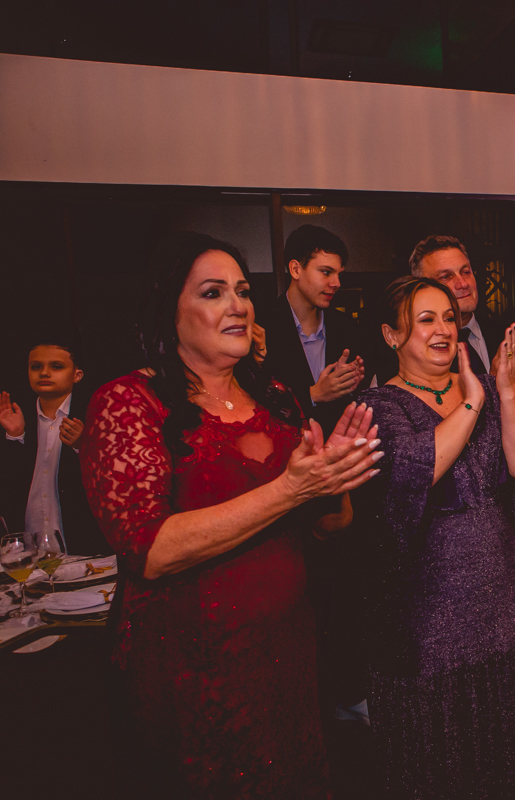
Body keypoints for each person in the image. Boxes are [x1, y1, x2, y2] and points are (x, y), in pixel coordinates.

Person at [81, 232, 381, 798]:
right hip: (189, 667)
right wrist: (290, 491)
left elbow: (329, 526)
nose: (238, 305)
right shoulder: (129, 402)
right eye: (213, 292)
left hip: (286, 653)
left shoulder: (276, 396)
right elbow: (150, 549)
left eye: (242, 291)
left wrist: (335, 476)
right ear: (169, 310)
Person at [353, 276, 515, 799]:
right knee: (445, 762)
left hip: (502, 604)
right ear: (391, 335)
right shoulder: (379, 407)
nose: (443, 329)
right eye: (426, 320)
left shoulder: (486, 387)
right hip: (428, 619)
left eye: (449, 317)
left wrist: (506, 390)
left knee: (510, 756)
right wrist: (472, 400)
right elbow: (418, 470)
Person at [0, 338, 110, 555]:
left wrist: (83, 446)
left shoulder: (95, 415)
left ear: (77, 375)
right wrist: (15, 436)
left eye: (56, 366)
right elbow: (10, 489)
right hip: (28, 552)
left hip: (82, 549)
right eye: (36, 367)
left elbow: (113, 484)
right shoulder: (15, 417)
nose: (44, 373)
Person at [258, 224, 370, 431]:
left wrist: (352, 383)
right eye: (326, 272)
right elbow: (254, 400)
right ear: (295, 269)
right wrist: (312, 395)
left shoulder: (346, 327)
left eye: (339, 274)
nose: (336, 283)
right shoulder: (261, 326)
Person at [406, 234, 515, 387]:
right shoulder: (414, 351)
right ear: (420, 289)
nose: (463, 284)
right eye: (446, 276)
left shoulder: (510, 338)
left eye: (466, 272)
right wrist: (495, 386)